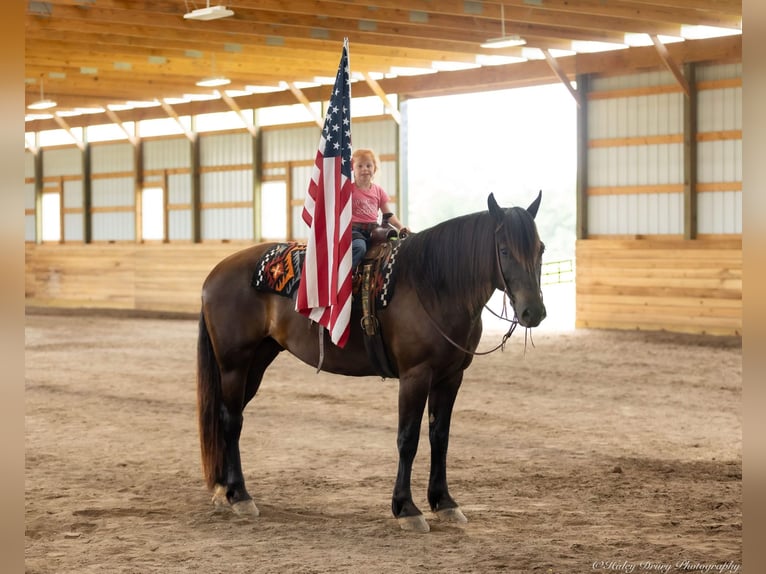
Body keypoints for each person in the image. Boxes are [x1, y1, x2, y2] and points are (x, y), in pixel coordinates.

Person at [350, 148, 409, 270]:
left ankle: (386, 278)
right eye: (359, 166)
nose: (364, 169)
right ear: (353, 169)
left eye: (368, 165)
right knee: (359, 248)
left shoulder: (378, 190)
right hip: (354, 230)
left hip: (374, 229)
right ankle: (348, 276)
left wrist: (400, 226)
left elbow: (388, 214)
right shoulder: (348, 190)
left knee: (394, 244)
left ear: (374, 169)